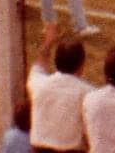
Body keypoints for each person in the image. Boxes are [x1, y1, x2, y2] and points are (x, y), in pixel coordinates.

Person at [28, 24, 94, 153]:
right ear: (81, 66)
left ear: (56, 61)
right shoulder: (88, 93)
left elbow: (40, 64)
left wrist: (48, 42)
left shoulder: (39, 83)